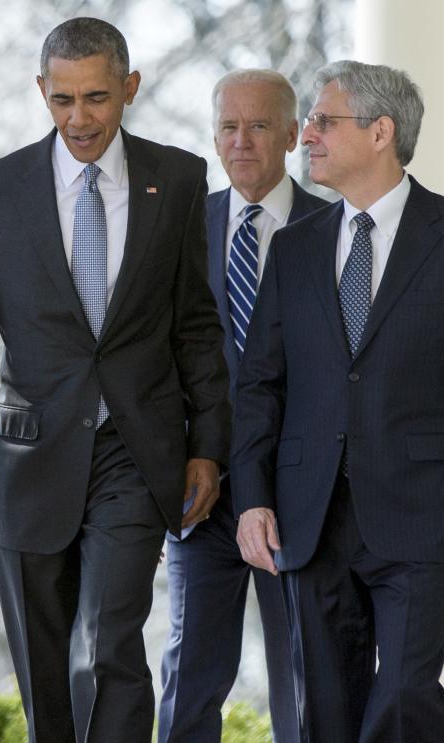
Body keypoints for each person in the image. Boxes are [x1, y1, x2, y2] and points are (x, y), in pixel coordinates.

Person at [0, 17, 229, 743]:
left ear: (129, 88)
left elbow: (194, 326)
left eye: (95, 98)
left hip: (134, 453)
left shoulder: (177, 179)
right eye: (61, 100)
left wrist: (206, 445)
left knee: (108, 646)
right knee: (46, 674)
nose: (79, 118)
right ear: (40, 91)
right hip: (24, 460)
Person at [232, 59, 444, 743]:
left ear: (379, 133)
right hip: (309, 515)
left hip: (421, 511)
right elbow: (258, 384)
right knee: (326, 712)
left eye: (322, 120)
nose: (304, 133)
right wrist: (251, 496)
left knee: (403, 696)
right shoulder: (293, 248)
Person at [158, 69, 326, 743]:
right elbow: (152, 358)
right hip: (202, 492)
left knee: (307, 679)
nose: (241, 142)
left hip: (301, 495)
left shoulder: (336, 228)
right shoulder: (177, 232)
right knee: (188, 676)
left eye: (258, 126)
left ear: (290, 134)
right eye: (228, 127)